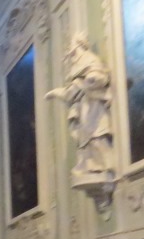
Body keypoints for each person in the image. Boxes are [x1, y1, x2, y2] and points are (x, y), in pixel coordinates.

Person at [46, 33, 114, 182]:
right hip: (82, 106)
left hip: (93, 105)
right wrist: (55, 93)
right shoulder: (76, 65)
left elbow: (101, 77)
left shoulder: (90, 59)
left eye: (71, 44)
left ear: (78, 45)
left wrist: (92, 78)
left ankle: (106, 166)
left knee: (96, 135)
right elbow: (70, 93)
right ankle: (91, 167)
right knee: (84, 139)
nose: (68, 48)